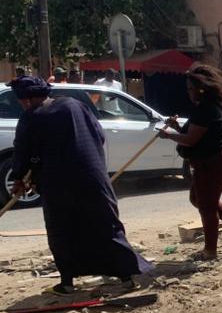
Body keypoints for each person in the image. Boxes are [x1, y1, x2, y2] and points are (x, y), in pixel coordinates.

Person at [7, 75, 151, 294]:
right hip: (93, 177)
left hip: (58, 185)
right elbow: (99, 135)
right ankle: (126, 277)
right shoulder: (75, 105)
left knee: (63, 231)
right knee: (105, 225)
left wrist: (19, 178)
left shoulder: (31, 117)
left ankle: (67, 283)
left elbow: (22, 151)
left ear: (26, 100)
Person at [158, 65, 222, 260]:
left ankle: (210, 250)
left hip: (214, 163)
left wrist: (169, 135)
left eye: (191, 89)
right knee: (198, 199)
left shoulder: (206, 109)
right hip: (213, 161)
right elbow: (195, 134)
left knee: (207, 207)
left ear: (201, 89)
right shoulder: (206, 108)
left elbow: (191, 139)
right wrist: (177, 127)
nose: (189, 93)